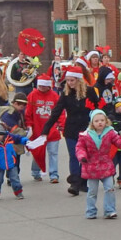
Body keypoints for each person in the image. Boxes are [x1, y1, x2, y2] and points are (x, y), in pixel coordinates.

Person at [43, 66, 103, 196]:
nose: (69, 83)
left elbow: (98, 109)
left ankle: (83, 181)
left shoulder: (90, 92)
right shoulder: (65, 95)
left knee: (85, 157)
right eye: (68, 80)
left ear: (79, 80)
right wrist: (46, 129)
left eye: (72, 80)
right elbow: (56, 112)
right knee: (74, 156)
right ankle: (74, 183)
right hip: (71, 130)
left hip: (87, 130)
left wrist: (101, 125)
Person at [76, 109, 121, 219]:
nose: (100, 123)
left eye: (102, 120)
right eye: (96, 121)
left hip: (106, 166)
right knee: (92, 191)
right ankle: (91, 211)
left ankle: (110, 210)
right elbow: (80, 147)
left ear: (106, 121)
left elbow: (120, 142)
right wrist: (82, 157)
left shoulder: (110, 133)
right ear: (92, 122)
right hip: (91, 168)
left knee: (110, 188)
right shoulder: (85, 135)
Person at [26, 73, 63, 183]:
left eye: (44, 86)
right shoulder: (32, 95)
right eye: (40, 86)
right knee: (37, 152)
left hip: (52, 131)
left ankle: (54, 175)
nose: (41, 88)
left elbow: (60, 112)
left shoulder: (55, 96)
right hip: (37, 129)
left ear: (49, 86)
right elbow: (28, 113)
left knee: (53, 153)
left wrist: (61, 125)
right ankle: (36, 172)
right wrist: (29, 125)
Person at [0, 124, 26, 201]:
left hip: (11, 162)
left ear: (3, 134)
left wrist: (25, 140)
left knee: (15, 178)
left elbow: (18, 138)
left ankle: (18, 192)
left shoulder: (10, 137)